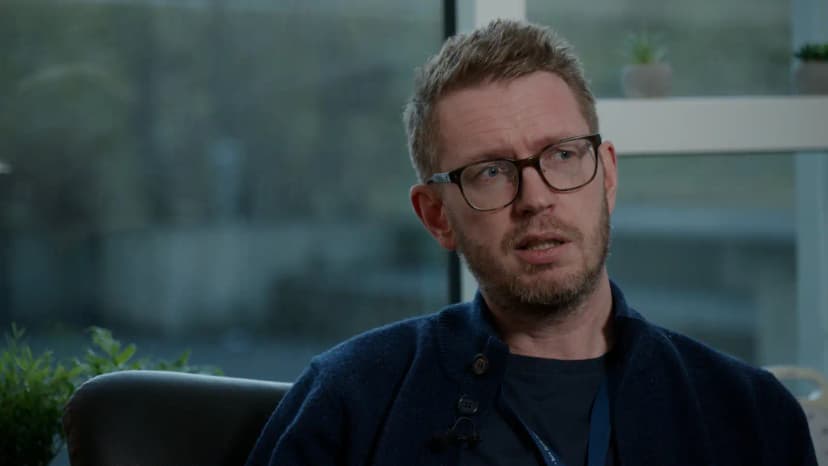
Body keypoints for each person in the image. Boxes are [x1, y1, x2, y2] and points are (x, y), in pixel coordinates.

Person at [246, 19, 816, 466]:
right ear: (437, 216)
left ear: (606, 175)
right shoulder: (349, 403)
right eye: (491, 172)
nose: (536, 198)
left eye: (562, 155)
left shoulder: (751, 416)